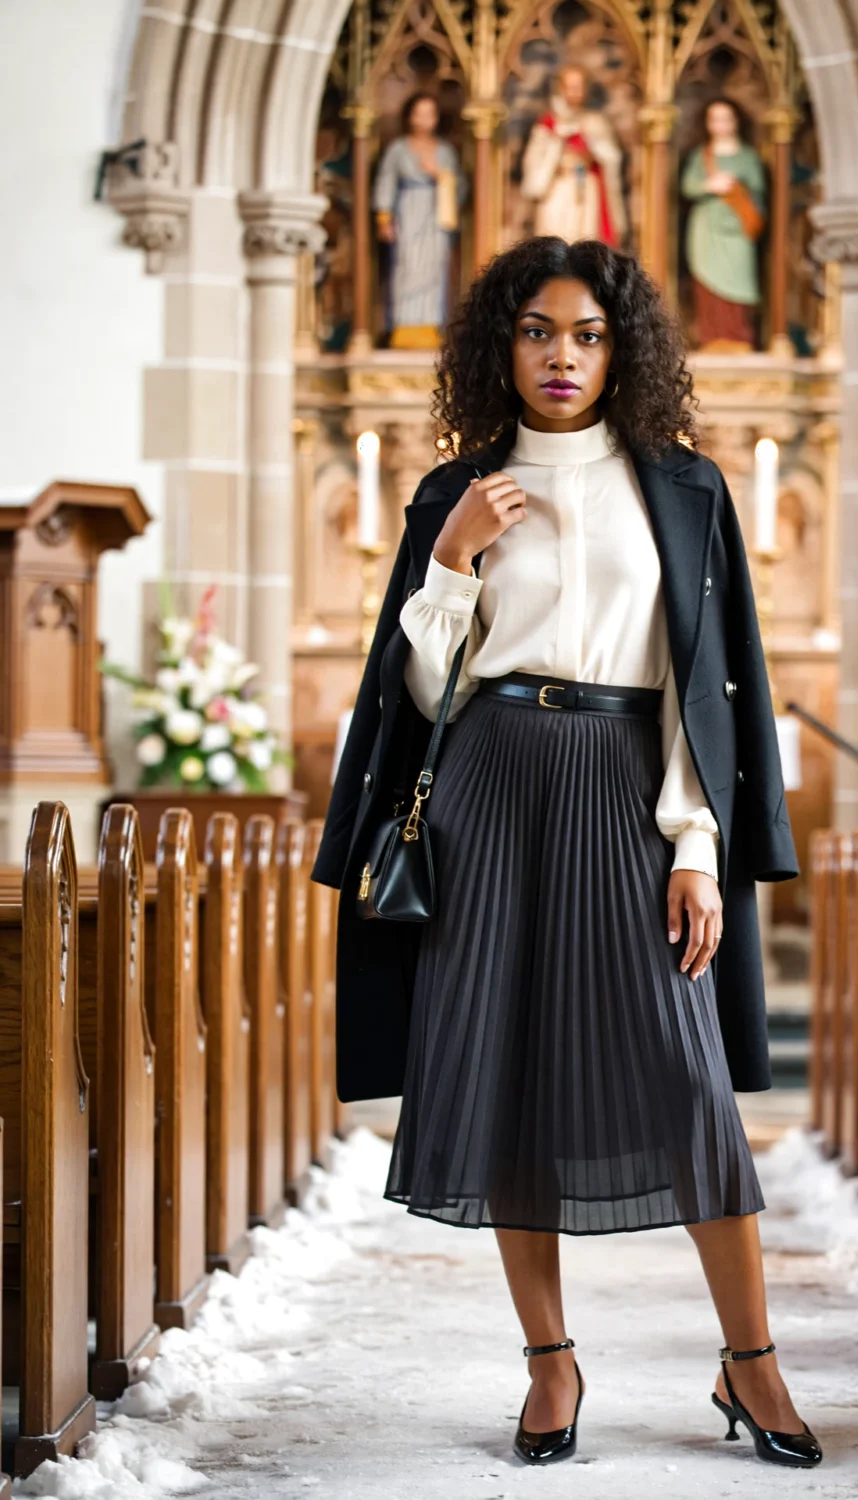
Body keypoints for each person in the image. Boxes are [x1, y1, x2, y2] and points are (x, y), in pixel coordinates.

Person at [310, 237, 821, 1471]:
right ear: (504, 343)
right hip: (489, 785)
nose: (561, 355)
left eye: (587, 334)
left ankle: (747, 1362)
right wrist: (450, 561)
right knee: (502, 1083)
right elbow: (421, 696)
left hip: (623, 785)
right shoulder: (456, 493)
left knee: (690, 1083)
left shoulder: (684, 488)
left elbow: (696, 690)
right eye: (539, 331)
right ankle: (549, 1364)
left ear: (621, 348)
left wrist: (693, 847)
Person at [373, 92, 467, 348]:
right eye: (419, 113)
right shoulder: (398, 150)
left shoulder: (445, 151)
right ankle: (404, 327)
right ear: (410, 116)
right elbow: (386, 182)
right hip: (408, 211)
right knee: (407, 267)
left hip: (436, 215)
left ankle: (430, 326)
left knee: (434, 269)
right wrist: (384, 217)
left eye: (430, 114)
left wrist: (442, 176)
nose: (424, 119)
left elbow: (461, 187)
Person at [681, 97, 766, 351]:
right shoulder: (701, 156)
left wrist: (737, 187)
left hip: (737, 229)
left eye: (726, 118)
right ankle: (712, 337)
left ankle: (738, 337)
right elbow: (687, 186)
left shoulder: (747, 157)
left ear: (736, 121)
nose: (721, 124)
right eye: (715, 119)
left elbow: (760, 189)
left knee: (738, 279)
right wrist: (710, 185)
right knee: (709, 281)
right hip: (707, 228)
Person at [520, 65, 627, 246]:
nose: (575, 92)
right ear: (561, 88)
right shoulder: (548, 124)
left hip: (586, 191)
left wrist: (592, 150)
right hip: (558, 190)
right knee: (556, 244)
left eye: (579, 87)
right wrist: (558, 144)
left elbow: (611, 158)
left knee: (585, 245)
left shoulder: (595, 122)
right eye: (570, 87)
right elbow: (534, 166)